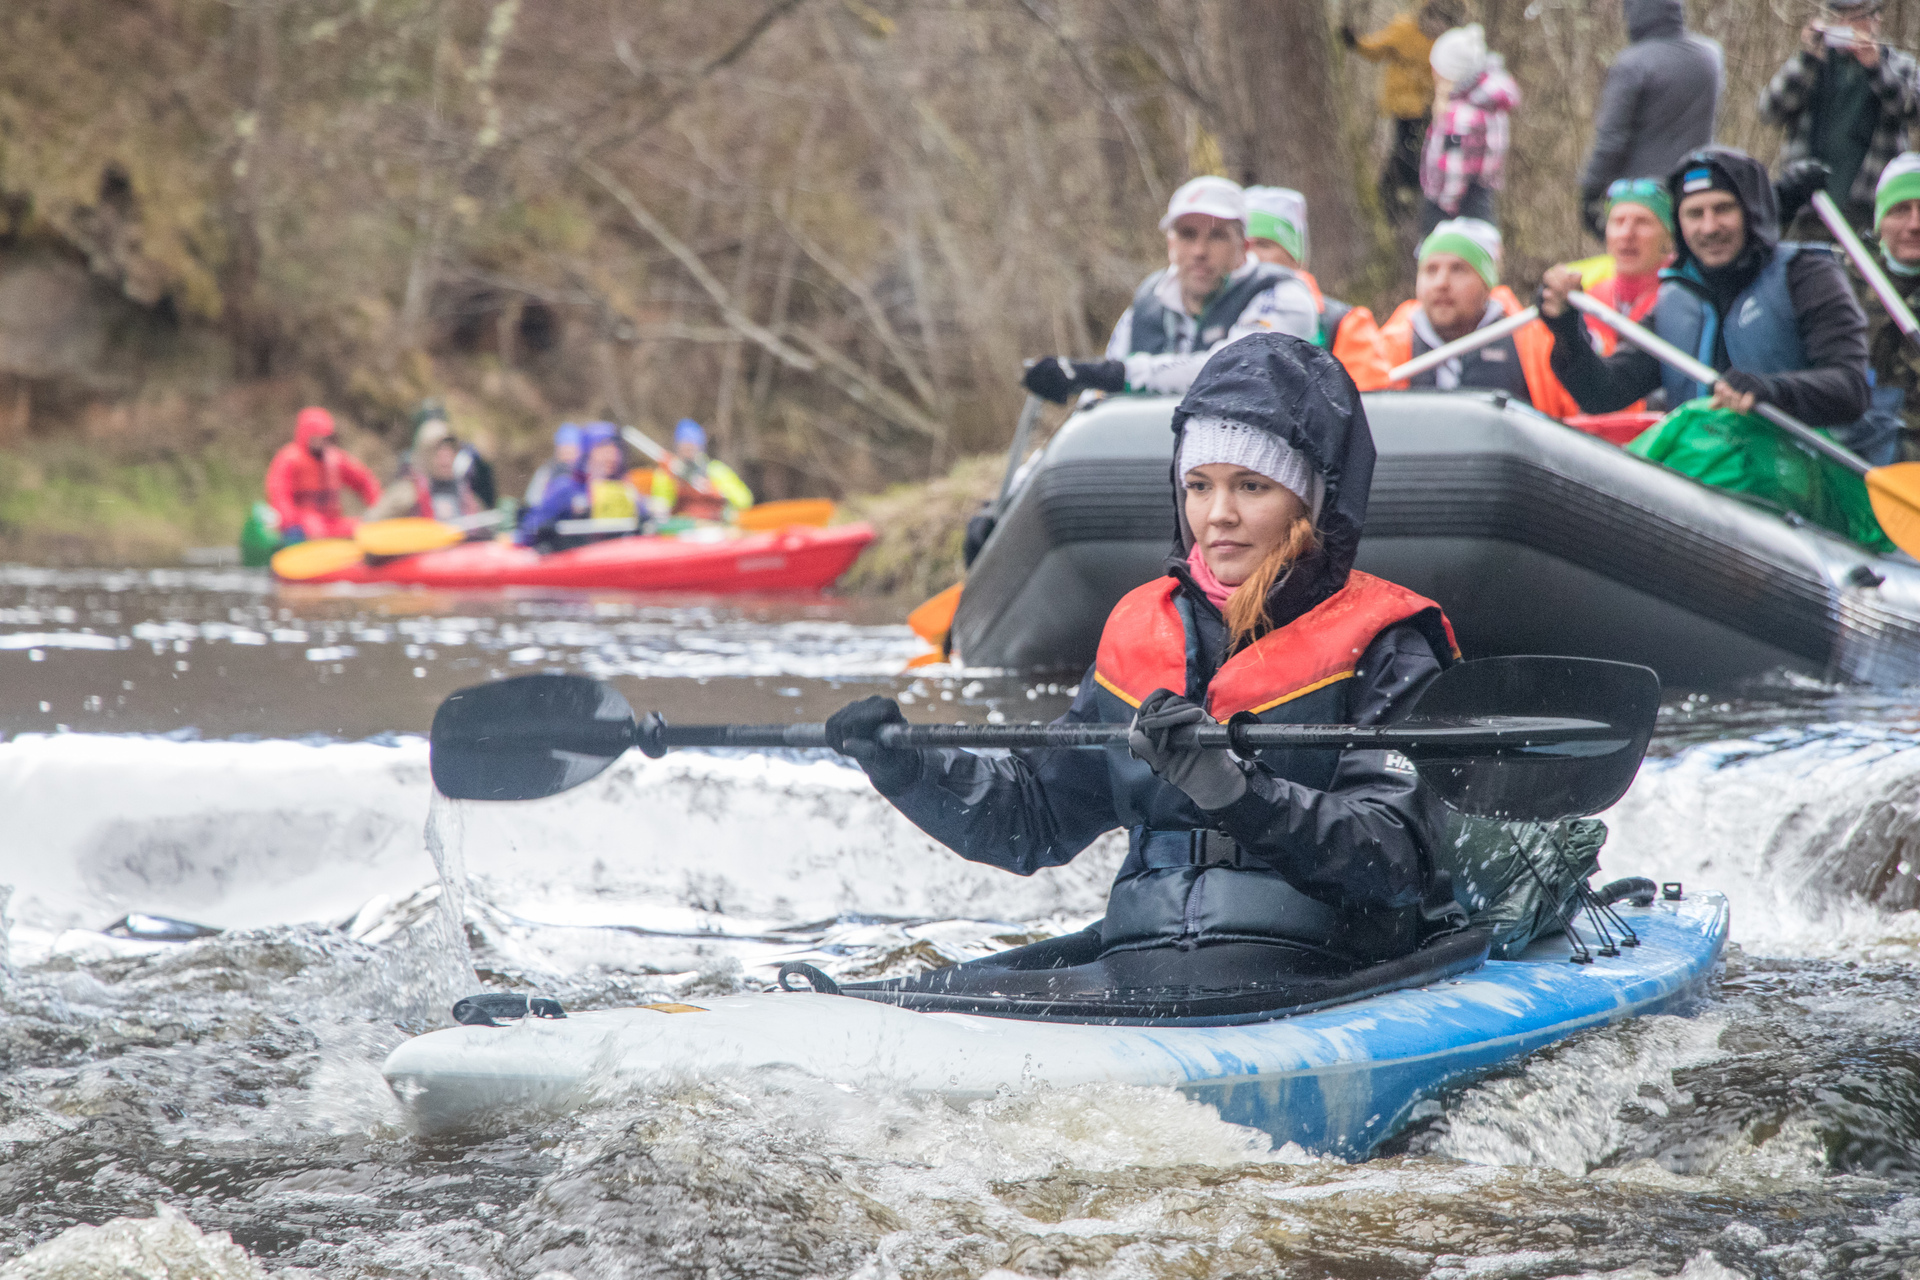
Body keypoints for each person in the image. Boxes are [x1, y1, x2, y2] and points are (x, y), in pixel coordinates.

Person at [825, 333, 1463, 970]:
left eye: (1251, 486)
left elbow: (1398, 858)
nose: (1218, 514)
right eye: (1199, 485)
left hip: (1322, 960)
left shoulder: (1388, 645)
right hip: (1144, 950)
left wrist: (1240, 793)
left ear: (1312, 500)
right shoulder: (1139, 630)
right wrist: (908, 768)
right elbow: (1033, 817)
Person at [1540, 146, 1871, 427]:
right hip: (1701, 470)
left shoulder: (1807, 274)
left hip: (1795, 466)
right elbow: (1602, 393)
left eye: (1723, 209)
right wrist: (1566, 329)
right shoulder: (1676, 298)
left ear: (1751, 212)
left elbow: (1851, 388)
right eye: (1695, 214)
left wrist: (1771, 390)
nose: (1709, 227)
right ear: (1679, 224)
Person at [1021, 176, 1319, 403]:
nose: (1199, 251)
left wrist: (1116, 374)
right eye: (1188, 235)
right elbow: (1102, 392)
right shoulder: (1148, 303)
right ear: (1170, 244)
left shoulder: (1282, 295)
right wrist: (1078, 382)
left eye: (1216, 236)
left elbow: (1232, 370)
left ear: (1244, 246)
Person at [1378, 218, 1583, 418]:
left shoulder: (1536, 342)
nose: (1441, 283)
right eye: (1431, 270)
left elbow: (1574, 417)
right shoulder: (1384, 351)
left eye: (1458, 269)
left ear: (1487, 284)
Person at [1757, 0, 1920, 229]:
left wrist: (1876, 68)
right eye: (1839, 16)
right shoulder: (1813, 63)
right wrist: (1808, 59)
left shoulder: (1899, 65)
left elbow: (1913, 112)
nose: (1846, 24)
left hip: (1869, 205)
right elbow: (1769, 111)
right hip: (1809, 204)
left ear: (1876, 20)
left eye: (1856, 16)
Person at [1577, 0, 1724, 239]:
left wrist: (1590, 192)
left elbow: (1611, 138)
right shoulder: (1709, 55)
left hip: (1642, 199)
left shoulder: (1633, 63)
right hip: (1696, 189)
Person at [1244, 186, 1393, 391]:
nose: (1251, 257)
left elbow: (1370, 402)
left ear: (1296, 259)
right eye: (1243, 247)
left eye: (1264, 245)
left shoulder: (1342, 325)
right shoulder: (1210, 315)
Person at [1342, 2, 1463, 224]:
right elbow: (1377, 48)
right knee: (1404, 151)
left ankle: (1407, 196)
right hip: (1403, 107)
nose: (1437, 27)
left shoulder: (1444, 43)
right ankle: (1392, 197)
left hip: (1429, 109)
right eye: (1435, 20)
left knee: (1422, 153)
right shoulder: (1404, 30)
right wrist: (1356, 43)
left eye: (1443, 22)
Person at [1849, 153, 1920, 461]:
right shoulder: (1842, 284)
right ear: (1880, 221)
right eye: (1900, 210)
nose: (1915, 224)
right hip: (1847, 453)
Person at [1419, 24, 1519, 235]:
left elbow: (1450, 178)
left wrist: (1437, 216)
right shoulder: (1490, 104)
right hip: (1482, 207)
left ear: (1450, 73)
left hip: (1451, 216)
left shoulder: (1458, 119)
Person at [262, 406, 382, 542]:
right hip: (301, 522)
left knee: (362, 527)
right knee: (314, 527)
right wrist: (290, 521)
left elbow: (364, 481)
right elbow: (279, 494)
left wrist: (379, 508)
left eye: (324, 438)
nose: (321, 442)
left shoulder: (335, 459)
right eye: (316, 437)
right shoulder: (289, 459)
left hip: (330, 522)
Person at [516, 423, 645, 548]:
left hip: (615, 557)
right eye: (603, 447)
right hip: (574, 556)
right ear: (587, 452)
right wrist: (547, 531)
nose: (611, 455)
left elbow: (646, 521)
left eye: (615, 448)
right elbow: (530, 528)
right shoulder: (567, 489)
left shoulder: (625, 490)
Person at [367, 417, 492, 522]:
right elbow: (369, 524)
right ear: (425, 456)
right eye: (438, 453)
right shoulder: (407, 494)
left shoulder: (466, 497)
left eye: (450, 452)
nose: (446, 460)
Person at [650, 418, 753, 521]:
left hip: (715, 525)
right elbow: (661, 507)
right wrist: (671, 482)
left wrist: (716, 490)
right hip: (684, 525)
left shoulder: (716, 471)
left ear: (700, 447)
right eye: (684, 447)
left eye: (691, 447)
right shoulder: (669, 471)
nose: (688, 451)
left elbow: (745, 501)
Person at [526, 423, 584, 507]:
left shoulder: (585, 472)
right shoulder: (547, 471)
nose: (568, 456)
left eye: (572, 451)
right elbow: (532, 499)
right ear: (557, 451)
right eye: (564, 451)